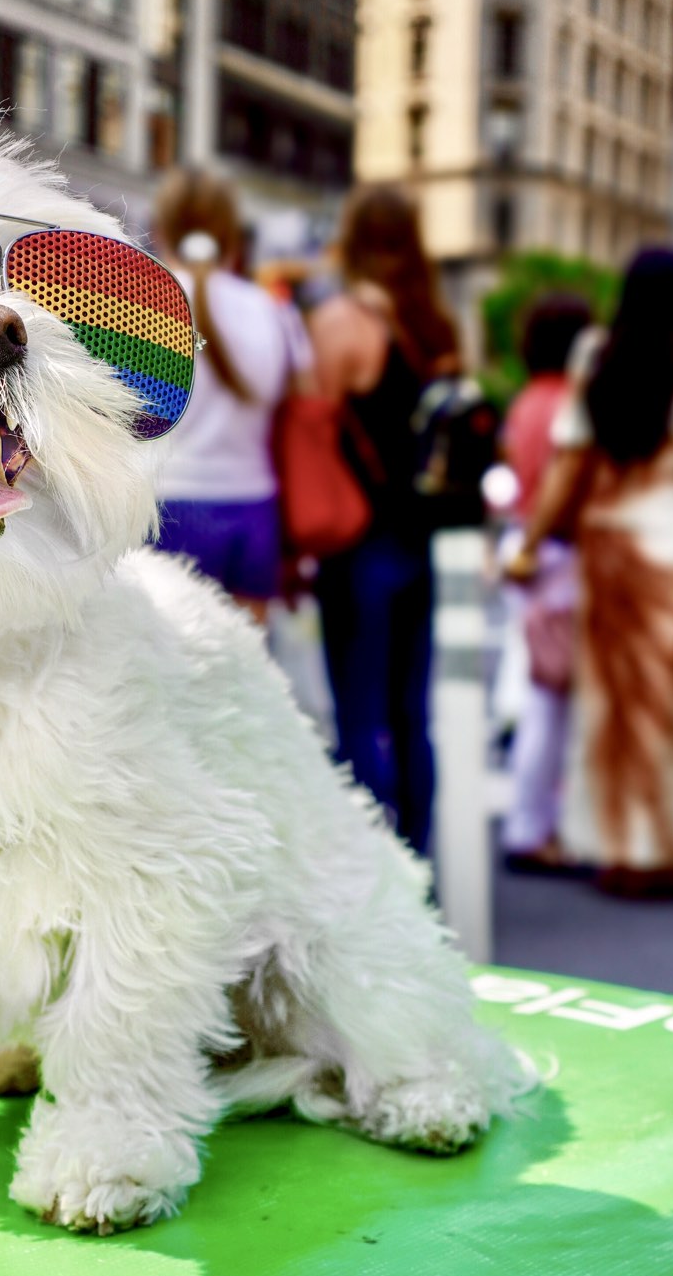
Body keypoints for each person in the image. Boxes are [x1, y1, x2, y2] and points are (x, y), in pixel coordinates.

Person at [507, 248, 673, 898]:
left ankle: (616, 848)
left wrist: (530, 544)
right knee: (670, 707)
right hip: (671, 549)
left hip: (606, 547)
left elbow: (570, 467)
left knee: (610, 707)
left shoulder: (597, 355)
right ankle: (664, 848)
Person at [307, 186, 460, 857]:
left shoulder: (341, 323)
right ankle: (419, 852)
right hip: (420, 539)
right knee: (410, 712)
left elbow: (312, 424)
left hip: (357, 541)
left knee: (359, 712)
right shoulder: (436, 326)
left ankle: (373, 865)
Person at [152, 168, 312, 621]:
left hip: (164, 508)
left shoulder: (137, 308)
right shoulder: (276, 312)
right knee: (246, 680)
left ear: (162, 230)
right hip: (254, 508)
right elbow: (301, 410)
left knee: (159, 680)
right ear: (231, 235)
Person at [499, 294, 592, 874]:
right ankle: (536, 825)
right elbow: (564, 480)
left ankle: (535, 821)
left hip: (522, 543)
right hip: (553, 550)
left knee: (541, 688)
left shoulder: (527, 402)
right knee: (555, 699)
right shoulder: (570, 403)